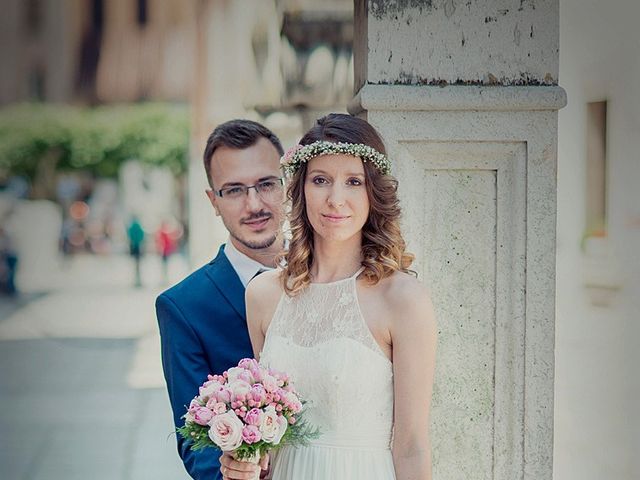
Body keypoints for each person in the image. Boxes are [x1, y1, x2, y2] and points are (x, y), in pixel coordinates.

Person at [244, 114, 437, 480]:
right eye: (320, 180)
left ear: (373, 193)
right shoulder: (262, 295)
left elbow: (411, 445)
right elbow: (266, 436)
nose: (336, 200)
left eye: (353, 181)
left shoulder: (403, 300)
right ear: (301, 189)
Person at [156, 119, 286, 480]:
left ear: (287, 183)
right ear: (213, 201)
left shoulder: (334, 278)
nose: (254, 204)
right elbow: (196, 446)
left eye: (266, 184)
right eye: (234, 190)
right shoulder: (182, 307)